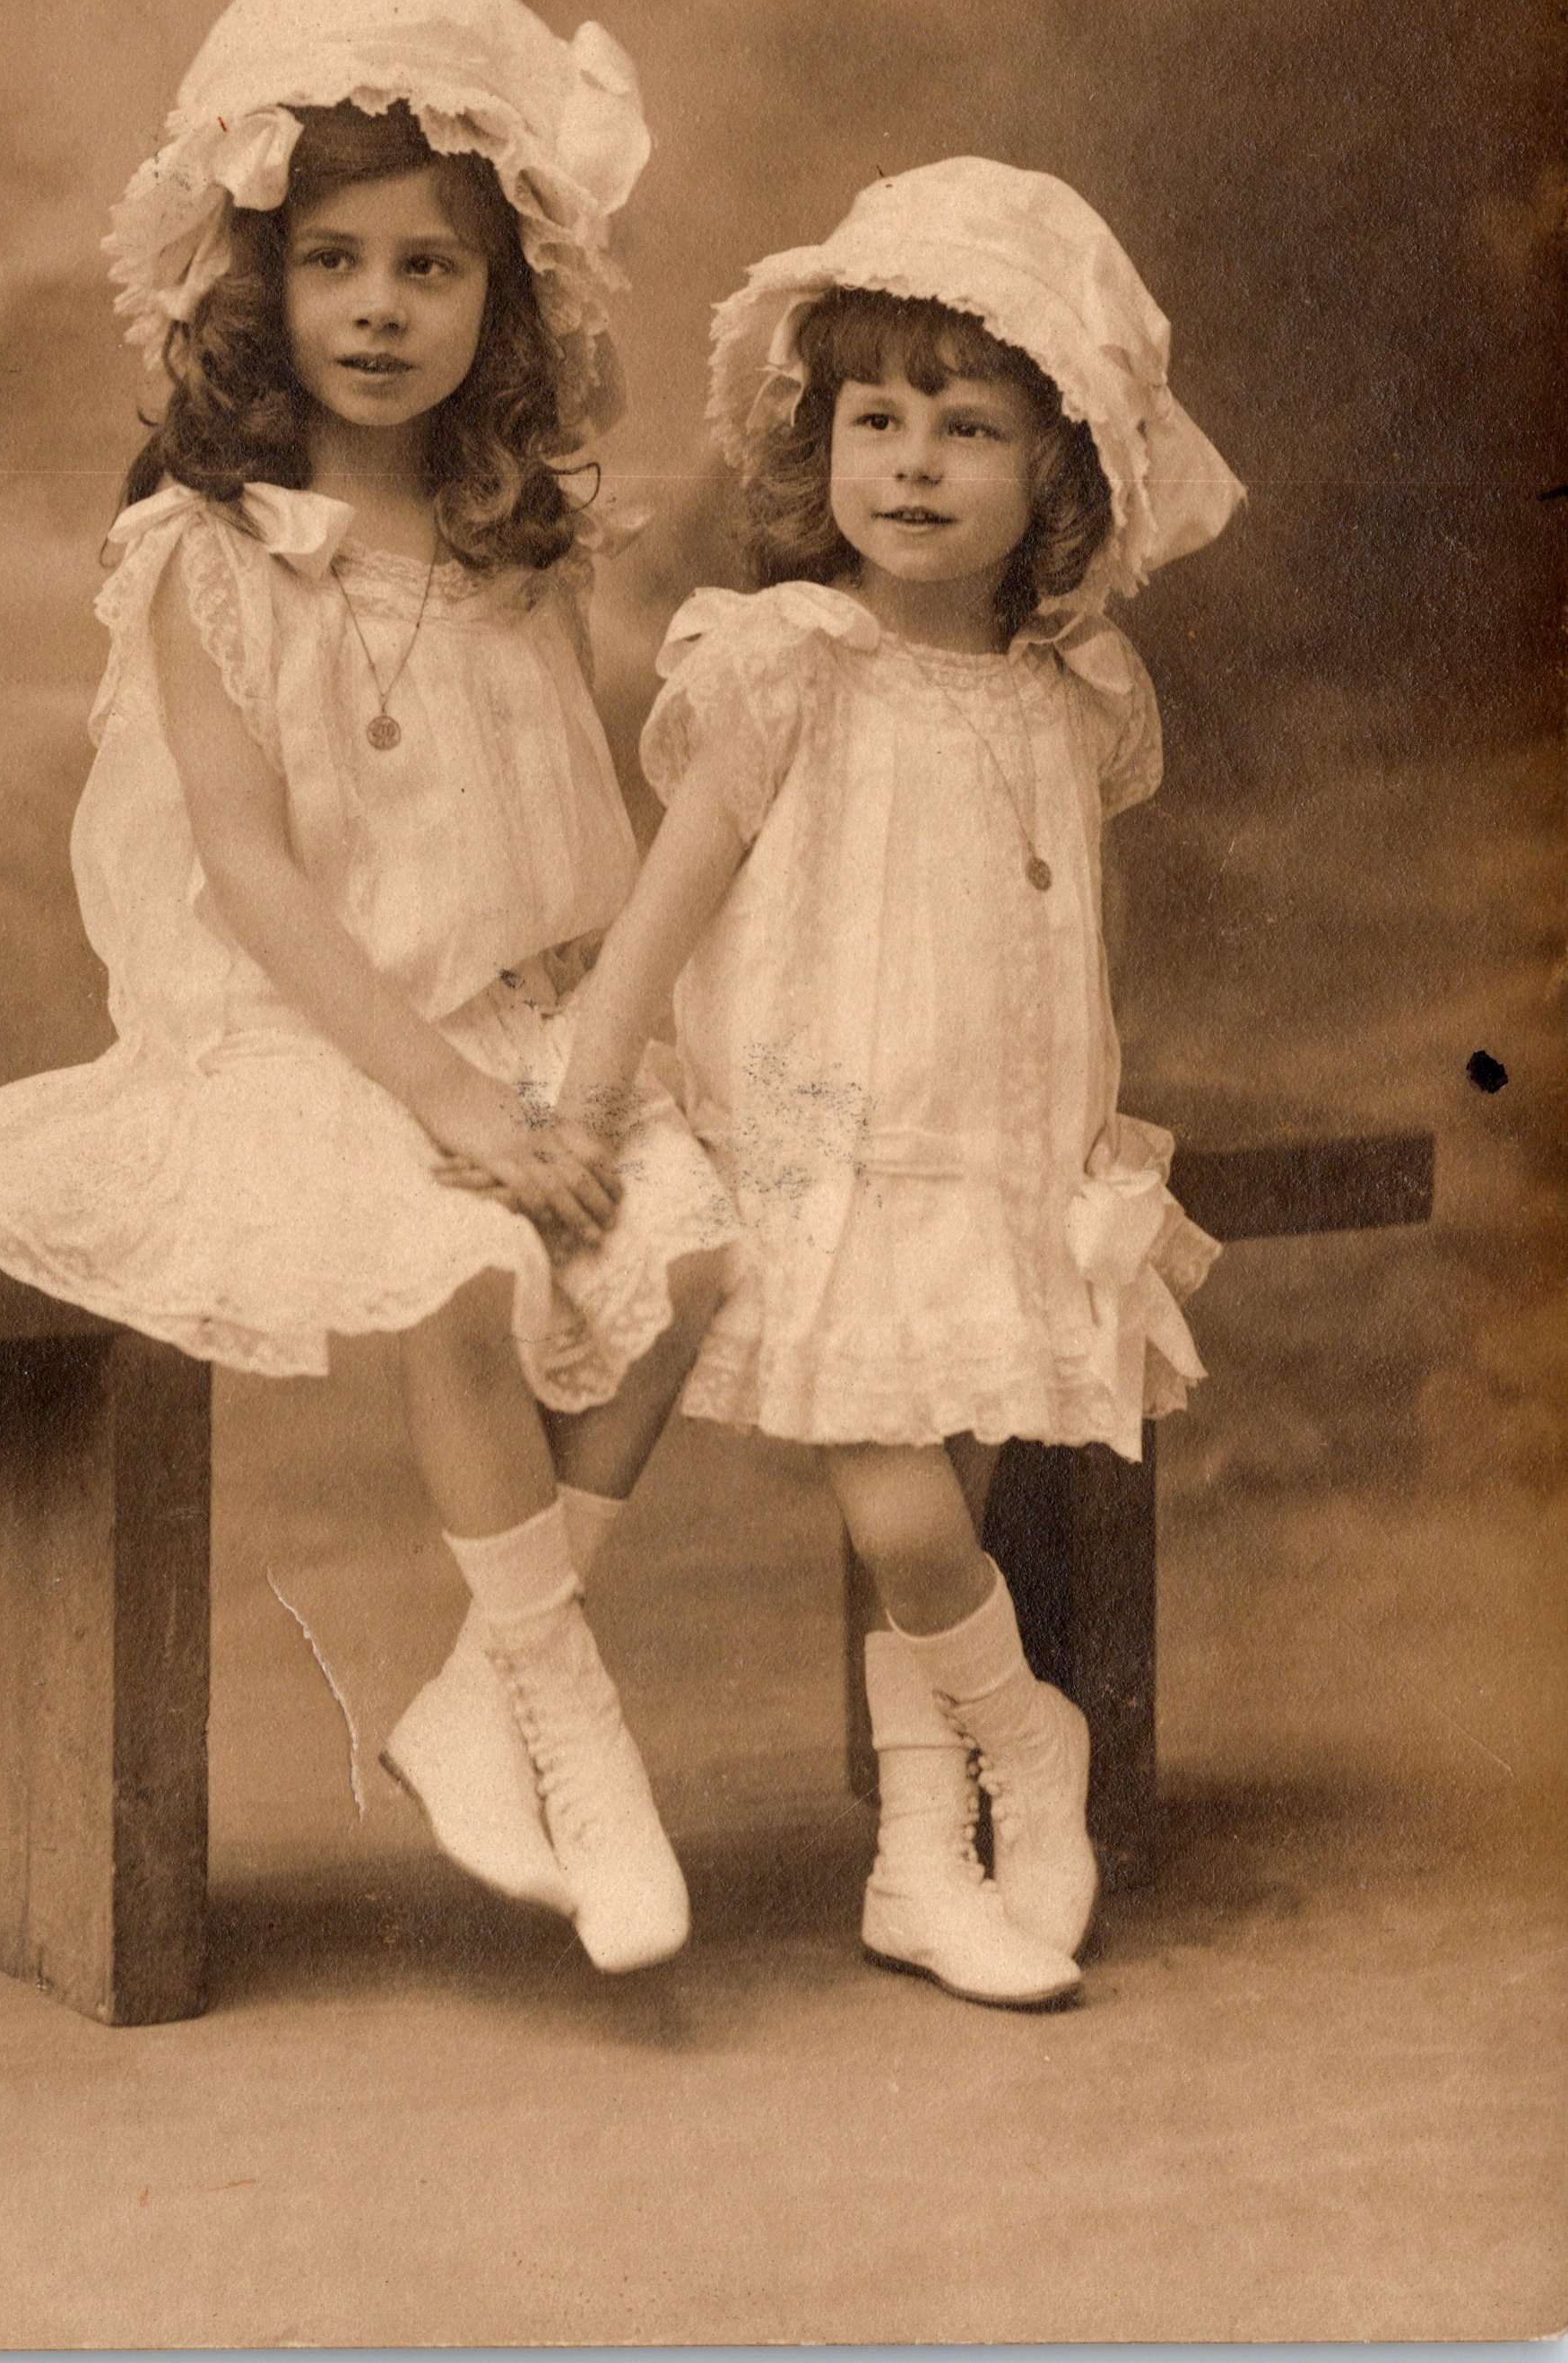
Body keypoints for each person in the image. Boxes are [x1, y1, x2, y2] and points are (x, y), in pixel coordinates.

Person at [0, 0, 735, 1976]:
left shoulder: (518, 554)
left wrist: (575, 1081)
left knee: (688, 1252)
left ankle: (479, 1698)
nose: (379, 310)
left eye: (430, 268)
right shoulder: (205, 554)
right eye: (333, 263)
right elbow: (253, 872)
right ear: (260, 284)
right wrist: (457, 1103)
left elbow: (563, 843)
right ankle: (573, 1724)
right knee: (461, 1261)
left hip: (504, 1019)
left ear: (503, 304)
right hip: (299, 1029)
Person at [550, 159, 1245, 2009]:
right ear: (822, 441)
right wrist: (585, 1095)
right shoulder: (788, 659)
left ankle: (918, 1862)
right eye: (877, 418)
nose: (915, 464)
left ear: (1058, 470)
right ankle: (1029, 1737)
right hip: (818, 1152)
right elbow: (669, 900)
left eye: (969, 427)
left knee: (945, 1485)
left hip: (1001, 1153)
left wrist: (1077, 1145)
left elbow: (1062, 938)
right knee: (902, 1504)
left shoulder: (1068, 693)